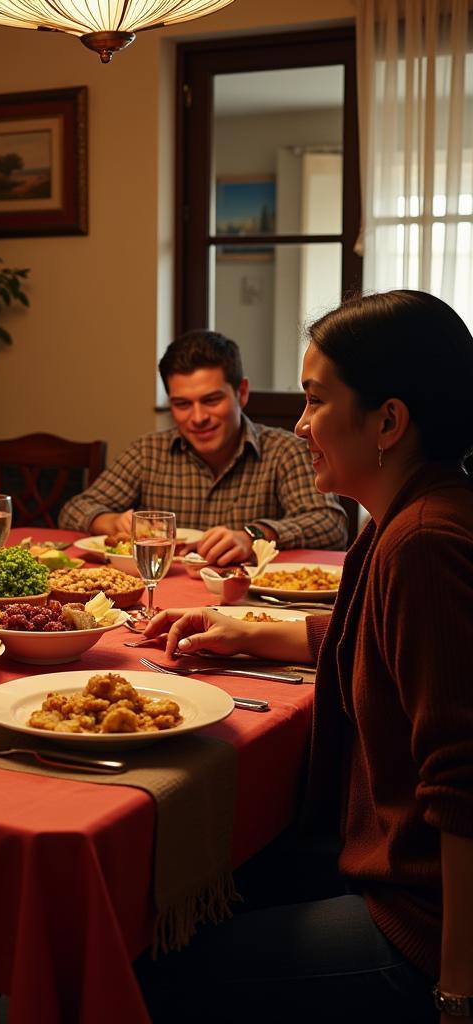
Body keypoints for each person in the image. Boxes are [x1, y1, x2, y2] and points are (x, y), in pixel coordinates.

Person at [139, 290, 473, 1022]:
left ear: (388, 419)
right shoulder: (414, 511)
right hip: (384, 862)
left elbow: (465, 783)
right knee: (194, 879)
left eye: (316, 401)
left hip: (420, 918)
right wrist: (243, 628)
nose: (299, 423)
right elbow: (371, 642)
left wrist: (456, 992)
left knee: (152, 963)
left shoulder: (424, 543)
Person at [58, 330, 348, 563]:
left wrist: (254, 535)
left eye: (211, 400)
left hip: (246, 608)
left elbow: (330, 524)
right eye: (182, 404)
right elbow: (75, 509)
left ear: (241, 393)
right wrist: (110, 522)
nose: (198, 418)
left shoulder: (283, 451)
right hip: (159, 597)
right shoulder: (148, 451)